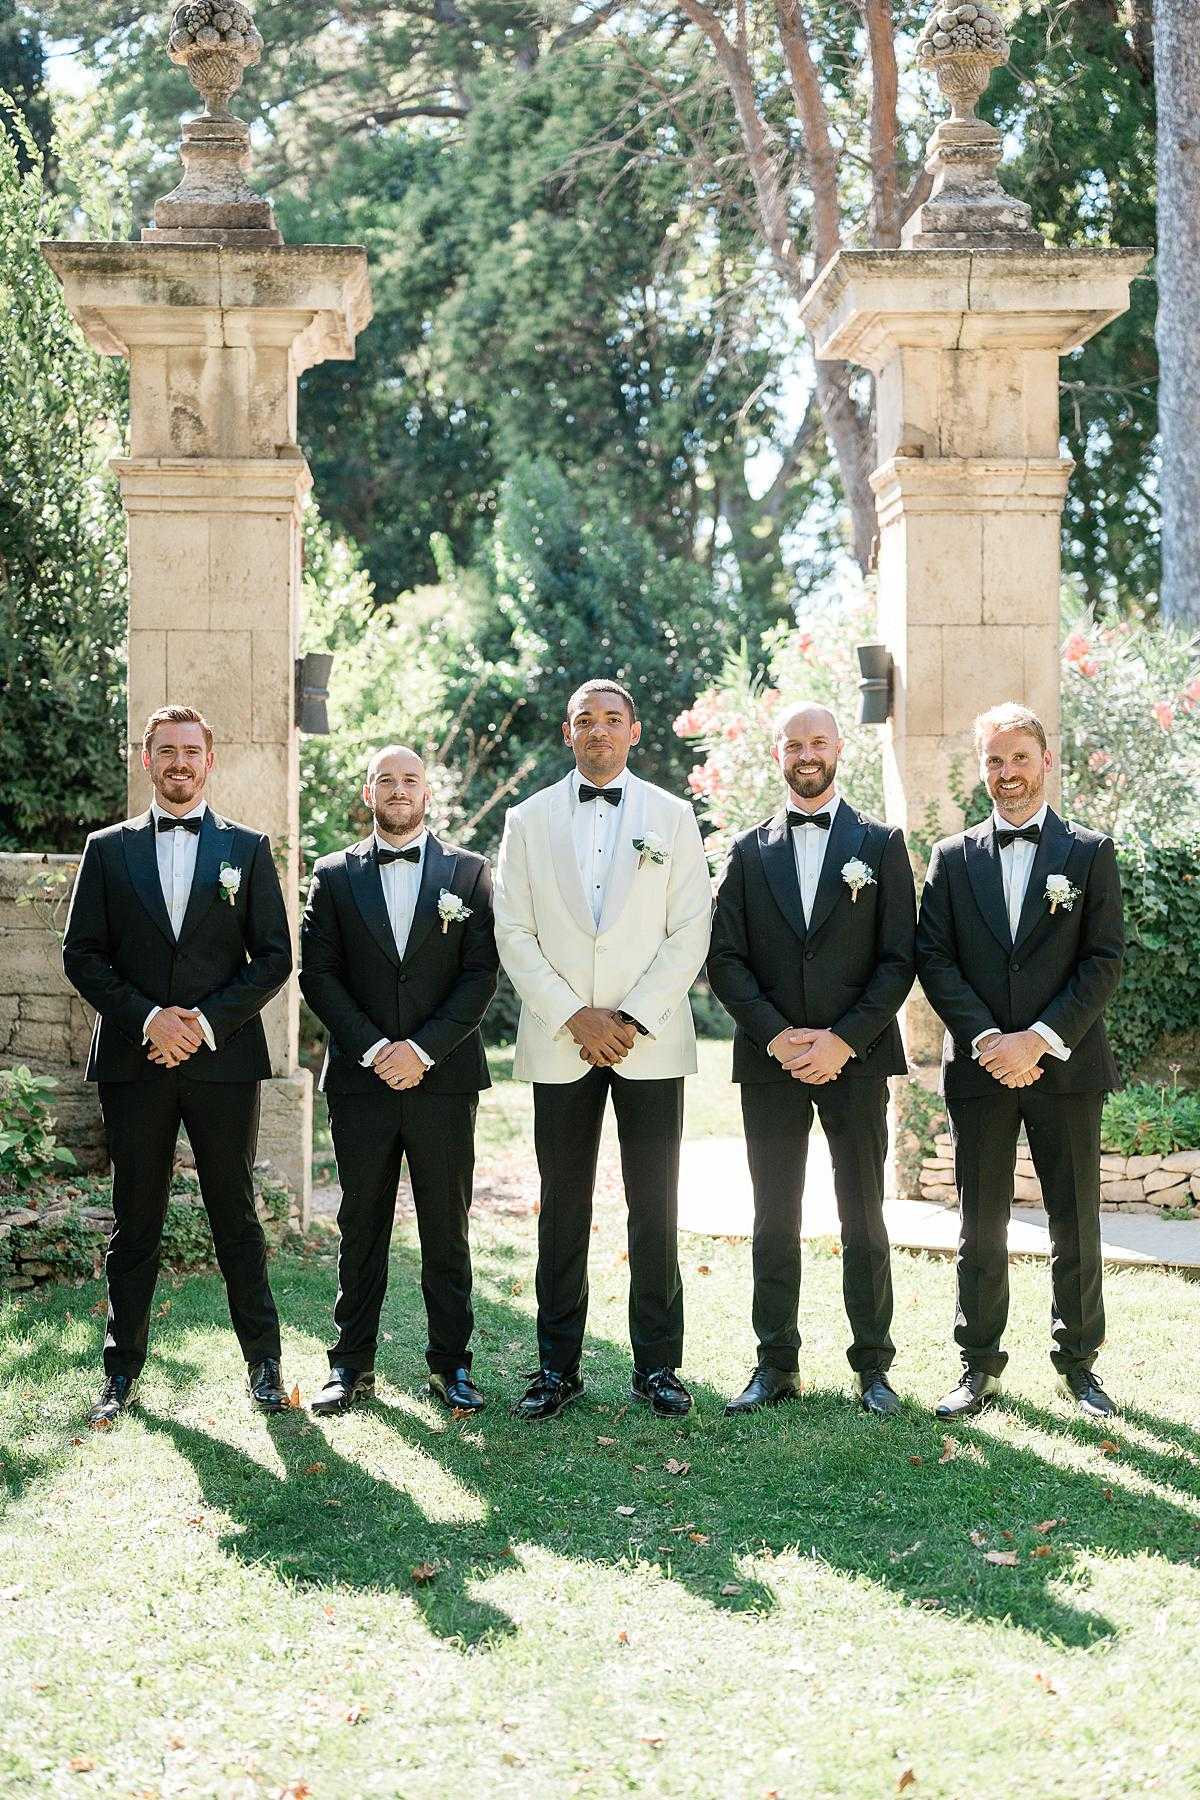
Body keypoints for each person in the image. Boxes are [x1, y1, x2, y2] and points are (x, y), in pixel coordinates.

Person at [62, 705, 293, 1425]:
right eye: (167, 751)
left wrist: (202, 1023)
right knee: (136, 1220)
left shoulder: (247, 849)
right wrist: (147, 1018)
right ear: (147, 761)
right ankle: (119, 1373)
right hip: (136, 1063)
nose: (180, 763)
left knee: (235, 1216)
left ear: (209, 760)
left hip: (221, 1064)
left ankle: (263, 1363)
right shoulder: (107, 849)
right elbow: (82, 955)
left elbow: (276, 957)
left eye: (191, 751)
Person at [493, 679, 712, 1420]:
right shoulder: (526, 820)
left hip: (646, 1043)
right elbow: (513, 932)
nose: (598, 731)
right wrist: (574, 1017)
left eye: (612, 719)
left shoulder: (674, 817)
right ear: (567, 733)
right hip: (562, 1042)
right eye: (585, 720)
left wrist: (630, 1019)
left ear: (634, 730)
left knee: (655, 1204)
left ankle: (657, 1366)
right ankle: (557, 1367)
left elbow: (690, 930)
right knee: (562, 1206)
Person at [915, 702, 1125, 1420]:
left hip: (1065, 1067)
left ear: (1045, 763)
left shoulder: (1090, 853)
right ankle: (978, 1365)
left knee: (1076, 1220)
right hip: (979, 1069)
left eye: (1019, 759)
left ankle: (1080, 1364)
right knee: (981, 1222)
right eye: (994, 762)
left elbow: (1103, 962)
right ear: (982, 769)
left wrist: (1038, 1038)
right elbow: (935, 960)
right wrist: (987, 1040)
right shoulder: (951, 856)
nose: (1007, 775)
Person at [708, 703, 916, 1416]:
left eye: (818, 741)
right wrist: (776, 1036)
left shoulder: (881, 844)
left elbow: (898, 960)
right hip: (770, 1064)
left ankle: (874, 1368)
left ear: (838, 749)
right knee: (773, 1215)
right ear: (777, 754)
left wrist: (841, 1041)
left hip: (854, 1061)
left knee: (864, 1214)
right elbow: (725, 959)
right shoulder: (745, 850)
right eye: (793, 743)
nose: (806, 753)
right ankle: (775, 1364)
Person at [299, 745, 498, 1415]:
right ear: (369, 792)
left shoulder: (469, 874)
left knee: (447, 1228)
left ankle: (451, 1366)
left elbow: (480, 976)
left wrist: (424, 1050)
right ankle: (349, 1366)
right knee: (361, 1226)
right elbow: (317, 975)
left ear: (428, 793)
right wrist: (379, 1047)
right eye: (386, 779)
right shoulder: (332, 874)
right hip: (362, 1081)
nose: (398, 789)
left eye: (410, 779)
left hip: (443, 1081)